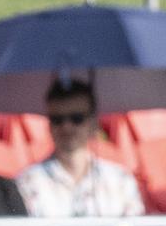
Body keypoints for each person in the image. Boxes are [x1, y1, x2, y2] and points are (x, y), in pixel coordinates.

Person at [17, 79, 144, 217]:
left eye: (77, 118)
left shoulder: (120, 180)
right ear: (49, 125)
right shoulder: (27, 182)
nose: (66, 127)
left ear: (93, 123)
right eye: (57, 120)